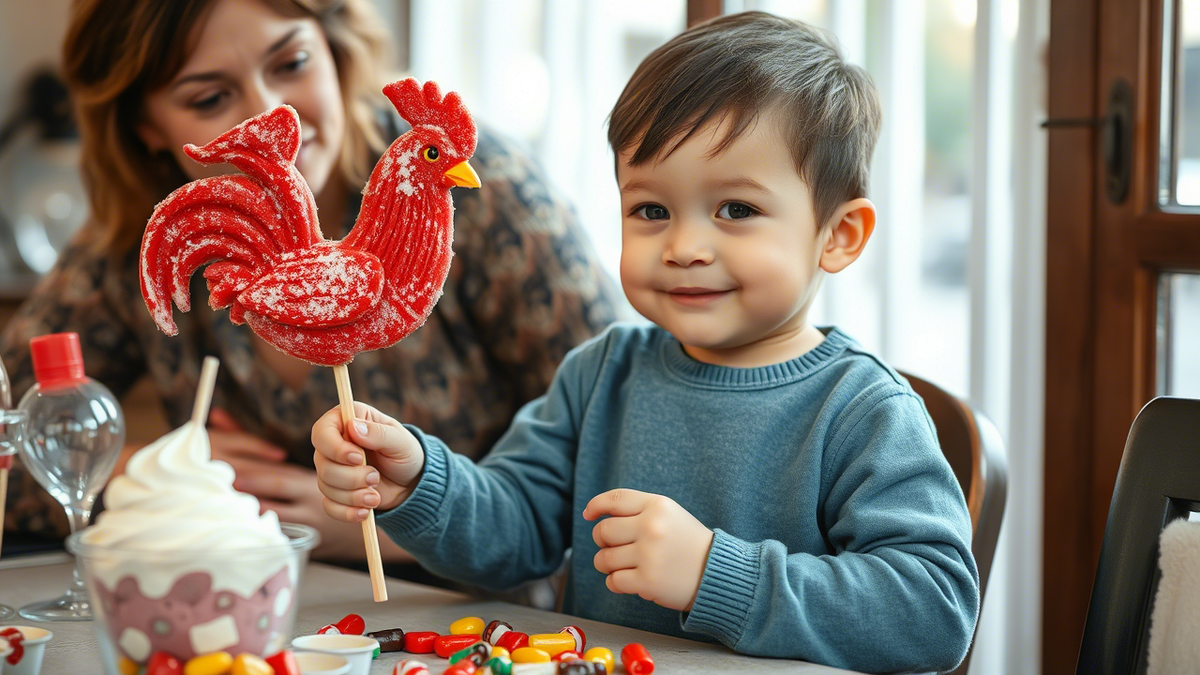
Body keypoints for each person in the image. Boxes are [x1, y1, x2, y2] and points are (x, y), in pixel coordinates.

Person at [312, 11, 980, 672]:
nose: (684, 246)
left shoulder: (863, 408)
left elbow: (934, 610)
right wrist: (418, 481)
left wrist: (715, 574)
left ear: (838, 236)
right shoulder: (600, 375)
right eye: (651, 210)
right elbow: (512, 533)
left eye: (737, 210)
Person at [0, 0, 621, 570]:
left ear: (335, 48)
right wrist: (146, 473)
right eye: (210, 97)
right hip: (239, 608)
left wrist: (395, 526)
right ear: (147, 127)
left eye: (292, 63)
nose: (272, 111)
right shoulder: (133, 235)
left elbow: (616, 433)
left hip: (473, 622)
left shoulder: (479, 190)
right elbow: (10, 428)